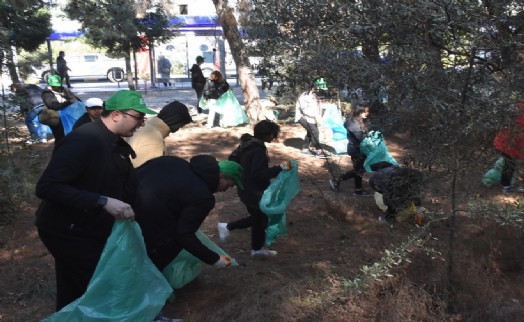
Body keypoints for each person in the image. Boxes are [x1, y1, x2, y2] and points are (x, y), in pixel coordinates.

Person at [34, 90, 156, 311]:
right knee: (97, 288)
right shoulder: (84, 140)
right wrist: (101, 201)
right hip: (66, 231)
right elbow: (47, 187)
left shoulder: (113, 141)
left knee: (75, 290)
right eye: (138, 117)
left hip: (88, 226)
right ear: (117, 115)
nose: (141, 123)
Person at [135, 155, 242, 271]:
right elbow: (183, 235)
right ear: (222, 176)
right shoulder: (203, 198)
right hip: (144, 225)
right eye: (229, 185)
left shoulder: (173, 161)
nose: (225, 190)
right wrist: (214, 259)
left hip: (121, 208)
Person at [218, 120, 292, 257]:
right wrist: (279, 168)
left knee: (259, 218)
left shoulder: (247, 143)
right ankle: (256, 249)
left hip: (245, 187)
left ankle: (227, 227)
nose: (274, 137)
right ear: (269, 134)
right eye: (274, 135)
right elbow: (259, 175)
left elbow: (234, 159)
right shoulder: (257, 151)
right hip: (254, 191)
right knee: (261, 220)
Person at [126, 100, 192, 168]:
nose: (178, 129)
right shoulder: (153, 139)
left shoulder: (147, 126)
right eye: (180, 126)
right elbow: (149, 173)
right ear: (176, 123)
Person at [329, 104, 371, 196]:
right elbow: (361, 137)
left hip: (360, 150)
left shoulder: (359, 121)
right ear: (359, 112)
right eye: (365, 111)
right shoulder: (353, 124)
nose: (367, 113)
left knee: (359, 170)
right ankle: (356, 190)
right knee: (359, 170)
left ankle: (356, 189)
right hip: (356, 151)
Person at [493, 102, 524, 193]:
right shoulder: (518, 107)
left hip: (507, 142)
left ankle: (506, 186)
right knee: (509, 164)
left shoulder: (517, 106)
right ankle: (506, 186)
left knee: (509, 164)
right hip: (508, 143)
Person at [294, 77, 329, 158]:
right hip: (303, 117)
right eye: (318, 88)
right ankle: (319, 151)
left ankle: (305, 150)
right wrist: (316, 116)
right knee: (315, 132)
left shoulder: (315, 95)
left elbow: (319, 106)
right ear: (313, 87)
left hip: (312, 118)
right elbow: (305, 110)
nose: (319, 90)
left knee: (310, 132)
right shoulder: (305, 96)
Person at [40, 75, 79, 142]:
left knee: (71, 135)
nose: (56, 87)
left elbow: (74, 98)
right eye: (54, 86)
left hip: (68, 115)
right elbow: (53, 106)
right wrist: (68, 102)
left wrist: (67, 97)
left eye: (57, 85)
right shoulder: (46, 93)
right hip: (55, 117)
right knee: (60, 137)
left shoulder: (63, 89)